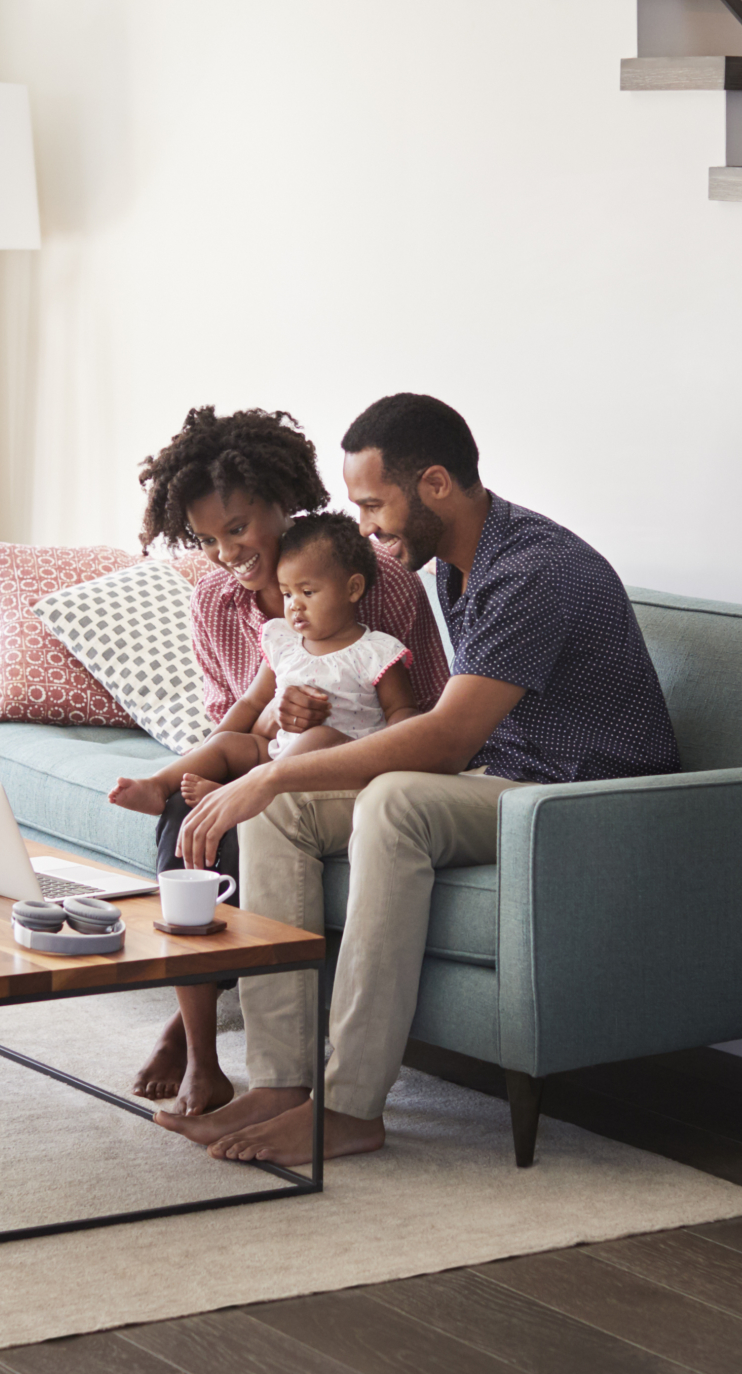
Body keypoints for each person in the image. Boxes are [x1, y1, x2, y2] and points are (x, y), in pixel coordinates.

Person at [159, 393, 681, 1165]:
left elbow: (443, 739)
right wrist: (273, 780)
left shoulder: (532, 570)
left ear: (434, 484)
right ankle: (281, 1083)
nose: (365, 526)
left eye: (373, 504)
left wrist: (265, 777)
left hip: (581, 799)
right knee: (279, 812)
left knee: (391, 801)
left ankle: (349, 1109)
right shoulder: (461, 567)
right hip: (507, 780)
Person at [125, 408, 450, 1116]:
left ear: (282, 502)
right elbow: (234, 718)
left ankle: (194, 1028)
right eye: (208, 539)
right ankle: (203, 1059)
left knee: (246, 810)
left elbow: (420, 714)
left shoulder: (376, 581)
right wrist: (271, 726)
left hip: (354, 762)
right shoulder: (213, 599)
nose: (226, 554)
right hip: (264, 754)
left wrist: (307, 731)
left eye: (238, 530)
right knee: (189, 814)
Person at [110, 512, 420, 815]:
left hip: (342, 763)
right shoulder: (284, 641)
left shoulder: (376, 651)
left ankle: (239, 792)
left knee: (320, 737)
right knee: (230, 743)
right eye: (287, 594)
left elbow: (401, 712)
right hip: (278, 753)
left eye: (307, 592)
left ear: (353, 589)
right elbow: (251, 702)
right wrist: (213, 746)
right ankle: (158, 785)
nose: (294, 604)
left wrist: (392, 754)